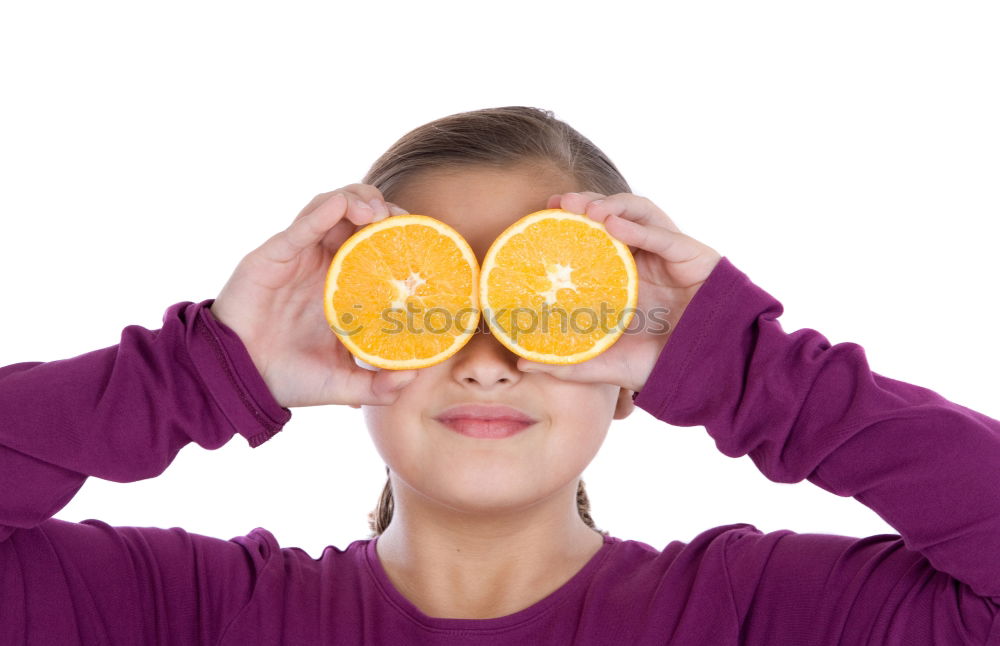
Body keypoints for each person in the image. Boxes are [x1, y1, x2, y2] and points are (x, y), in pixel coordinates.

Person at [1, 106, 997, 645]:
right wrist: (198, 374)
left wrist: (751, 372)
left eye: (546, 312)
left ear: (636, 364)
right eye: (428, 305)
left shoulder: (759, 611)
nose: (484, 362)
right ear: (351, 330)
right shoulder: (191, 611)